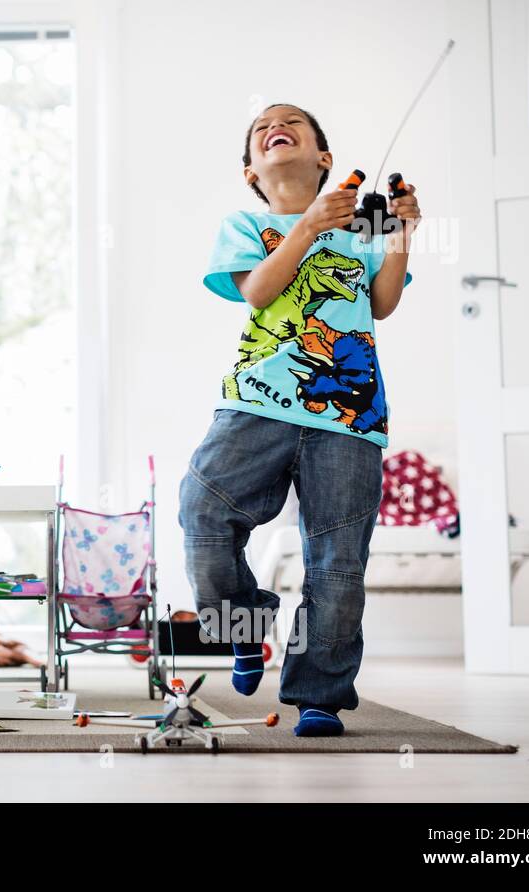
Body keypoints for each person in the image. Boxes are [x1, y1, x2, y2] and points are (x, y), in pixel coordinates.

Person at [178, 103, 420, 736]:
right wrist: (310, 225)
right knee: (203, 512)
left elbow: (385, 303)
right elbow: (259, 291)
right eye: (261, 129)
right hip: (255, 402)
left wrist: (399, 235)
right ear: (251, 171)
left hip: (348, 413)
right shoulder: (245, 223)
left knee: (337, 559)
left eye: (291, 122)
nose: (273, 127)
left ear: (325, 159)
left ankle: (320, 693)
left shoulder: (363, 227)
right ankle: (246, 623)